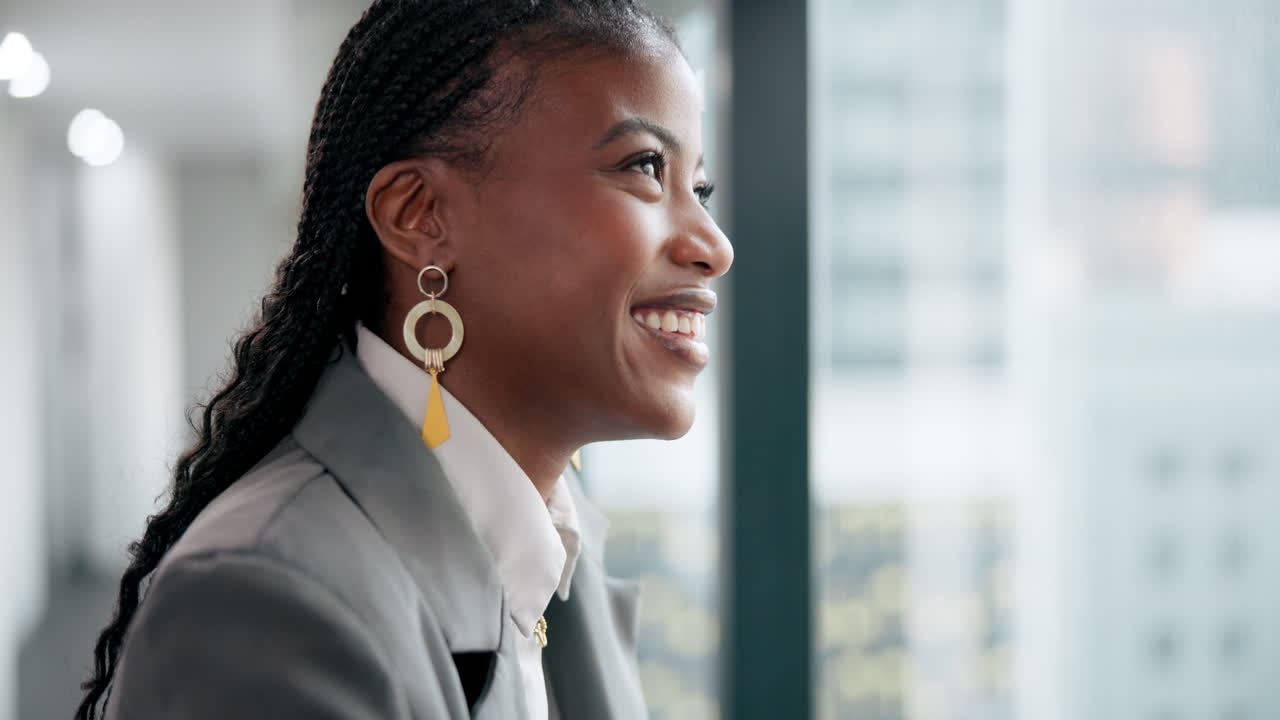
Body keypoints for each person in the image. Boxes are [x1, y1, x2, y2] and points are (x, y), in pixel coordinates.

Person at [73, 0, 732, 718]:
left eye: (699, 189)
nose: (715, 245)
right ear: (420, 215)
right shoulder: (267, 598)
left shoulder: (561, 557)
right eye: (644, 167)